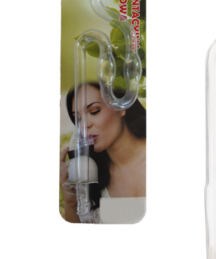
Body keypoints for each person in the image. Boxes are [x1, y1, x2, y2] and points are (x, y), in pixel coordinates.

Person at [57, 82, 148, 223]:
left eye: (94, 111)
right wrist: (71, 203)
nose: (84, 125)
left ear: (122, 107)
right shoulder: (91, 175)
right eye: (78, 118)